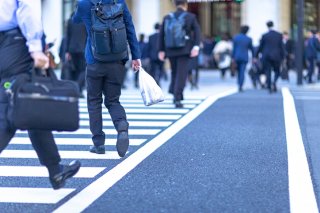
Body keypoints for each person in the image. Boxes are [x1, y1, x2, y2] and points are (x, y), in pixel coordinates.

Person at [0, 0, 80, 190]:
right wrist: (36, 47)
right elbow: (27, 8)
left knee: (33, 103)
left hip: (6, 46)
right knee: (13, 106)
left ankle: (55, 170)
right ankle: (55, 169)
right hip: (13, 43)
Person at [73, 0, 141, 156]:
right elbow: (130, 28)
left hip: (94, 61)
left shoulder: (84, 4)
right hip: (117, 61)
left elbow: (75, 20)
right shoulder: (120, 3)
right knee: (113, 100)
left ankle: (98, 144)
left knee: (94, 101)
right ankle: (121, 125)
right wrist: (136, 56)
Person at [159, 0, 201, 108]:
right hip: (184, 49)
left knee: (174, 72)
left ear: (175, 4)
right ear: (185, 4)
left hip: (170, 49)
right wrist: (196, 47)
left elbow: (161, 34)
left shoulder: (167, 17)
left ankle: (175, 92)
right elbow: (197, 32)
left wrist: (161, 50)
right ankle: (177, 98)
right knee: (182, 74)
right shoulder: (190, 17)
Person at [255, 21, 285, 93]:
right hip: (276, 56)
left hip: (266, 56)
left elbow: (261, 46)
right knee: (277, 70)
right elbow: (281, 46)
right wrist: (284, 56)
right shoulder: (279, 35)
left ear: (267, 26)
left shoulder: (265, 35)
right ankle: (274, 82)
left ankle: (269, 85)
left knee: (267, 71)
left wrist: (256, 55)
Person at [65, 15, 87, 95]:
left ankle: (76, 90)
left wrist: (66, 51)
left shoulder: (70, 20)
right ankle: (78, 88)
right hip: (83, 49)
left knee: (75, 70)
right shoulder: (86, 20)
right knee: (83, 70)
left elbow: (67, 36)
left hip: (72, 49)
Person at [232, 25, 254, 92]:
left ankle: (239, 83)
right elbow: (251, 49)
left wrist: (232, 57)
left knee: (238, 71)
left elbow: (234, 49)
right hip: (244, 57)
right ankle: (240, 85)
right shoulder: (248, 39)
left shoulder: (236, 38)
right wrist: (254, 57)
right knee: (242, 71)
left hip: (236, 56)